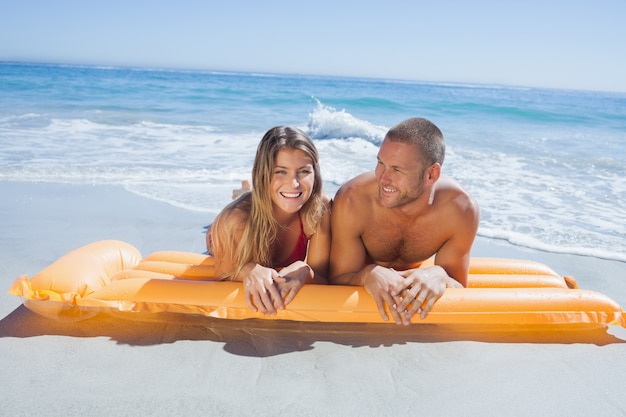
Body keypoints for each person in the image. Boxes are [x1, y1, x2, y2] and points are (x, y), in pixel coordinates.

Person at [329, 117, 479, 325]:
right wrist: (365, 275)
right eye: (380, 163)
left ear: (431, 174)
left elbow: (459, 286)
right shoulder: (353, 200)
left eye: (397, 170)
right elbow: (335, 279)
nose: (383, 178)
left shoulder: (459, 210)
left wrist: (441, 275)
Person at [208, 126, 331, 315]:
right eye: (281, 172)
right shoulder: (236, 219)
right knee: (240, 209)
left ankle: (245, 191)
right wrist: (247, 269)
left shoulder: (319, 209)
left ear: (315, 173)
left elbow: (323, 277)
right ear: (262, 174)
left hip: (270, 200)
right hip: (221, 234)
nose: (294, 183)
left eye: (303, 171)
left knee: (281, 195)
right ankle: (242, 193)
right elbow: (224, 271)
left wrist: (304, 269)